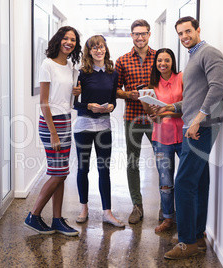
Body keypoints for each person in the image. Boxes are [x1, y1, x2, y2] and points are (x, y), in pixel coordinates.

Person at [152, 17, 223, 259]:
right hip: (193, 124)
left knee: (183, 182)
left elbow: (218, 87)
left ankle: (186, 242)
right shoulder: (193, 56)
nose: (184, 36)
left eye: (188, 31)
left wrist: (196, 120)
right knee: (198, 181)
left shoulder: (209, 53)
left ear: (197, 30)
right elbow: (195, 97)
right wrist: (169, 108)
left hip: (199, 127)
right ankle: (196, 236)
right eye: (180, 33)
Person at [24, 26, 82, 236]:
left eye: (73, 40)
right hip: (51, 123)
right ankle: (33, 215)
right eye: (66, 38)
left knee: (61, 173)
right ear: (58, 40)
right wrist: (53, 132)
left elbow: (66, 98)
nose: (69, 42)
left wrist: (76, 91)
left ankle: (57, 220)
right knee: (59, 173)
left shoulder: (70, 66)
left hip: (66, 120)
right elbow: (44, 101)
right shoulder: (47, 64)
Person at [73, 35, 124, 227]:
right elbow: (74, 104)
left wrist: (111, 106)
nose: (98, 50)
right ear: (89, 51)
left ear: (106, 48)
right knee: (83, 168)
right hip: (84, 126)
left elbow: (113, 99)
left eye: (101, 47)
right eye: (94, 48)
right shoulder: (82, 73)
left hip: (104, 127)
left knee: (104, 169)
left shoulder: (113, 73)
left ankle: (107, 212)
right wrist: (89, 107)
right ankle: (84, 208)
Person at [115, 19, 156, 224]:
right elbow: (115, 89)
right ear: (131, 35)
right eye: (136, 34)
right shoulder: (122, 61)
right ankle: (137, 206)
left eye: (143, 33)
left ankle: (167, 210)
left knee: (163, 161)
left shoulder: (159, 57)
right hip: (132, 117)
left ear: (149, 34)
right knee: (133, 162)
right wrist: (127, 95)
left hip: (156, 117)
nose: (140, 37)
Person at [142, 48, 183, 233]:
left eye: (166, 60)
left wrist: (166, 110)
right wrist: (151, 112)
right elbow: (154, 117)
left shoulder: (182, 79)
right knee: (165, 181)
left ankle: (189, 219)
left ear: (172, 62)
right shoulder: (152, 86)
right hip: (161, 138)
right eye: (159, 61)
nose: (163, 64)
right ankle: (168, 218)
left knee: (186, 180)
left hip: (184, 136)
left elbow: (188, 106)